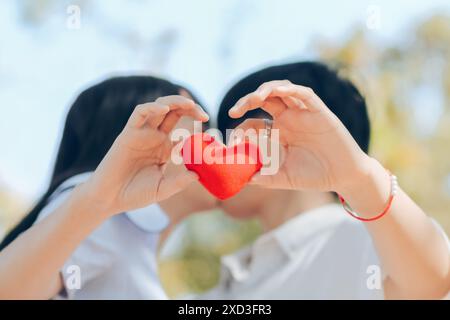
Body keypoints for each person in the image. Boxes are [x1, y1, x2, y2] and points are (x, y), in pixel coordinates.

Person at [200, 62, 450, 299]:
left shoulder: (361, 240)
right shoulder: (235, 277)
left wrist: (358, 178)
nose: (218, 152)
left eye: (227, 135)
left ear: (271, 140)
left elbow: (433, 283)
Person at [0, 76, 214, 299]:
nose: (216, 144)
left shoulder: (124, 229)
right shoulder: (106, 218)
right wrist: (99, 200)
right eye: (201, 128)